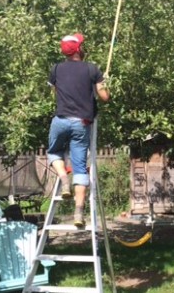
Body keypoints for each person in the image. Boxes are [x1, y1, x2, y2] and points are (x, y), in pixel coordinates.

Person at [47, 33, 110, 227]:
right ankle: (78, 213)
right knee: (80, 166)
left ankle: (64, 179)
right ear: (78, 50)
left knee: (54, 152)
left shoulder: (55, 69)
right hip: (81, 123)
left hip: (60, 120)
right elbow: (105, 97)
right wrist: (105, 84)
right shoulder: (92, 69)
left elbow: (54, 93)